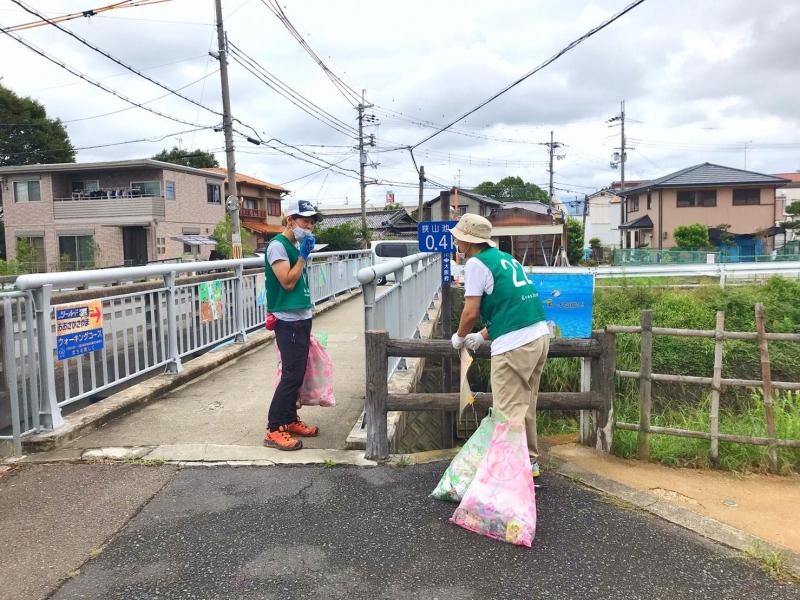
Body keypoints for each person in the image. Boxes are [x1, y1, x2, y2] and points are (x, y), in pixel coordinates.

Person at [449, 214, 550, 478]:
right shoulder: (506, 258)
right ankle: (529, 464)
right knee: (525, 403)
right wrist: (483, 335)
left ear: (468, 240)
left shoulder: (475, 264)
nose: (455, 239)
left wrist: (460, 337)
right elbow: (509, 305)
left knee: (506, 409)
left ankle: (509, 474)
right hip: (538, 335)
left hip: (515, 345)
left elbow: (470, 312)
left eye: (457, 235)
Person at [263, 199, 321, 450]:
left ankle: (289, 419)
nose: (309, 226)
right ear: (290, 221)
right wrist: (303, 256)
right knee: (290, 375)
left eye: (311, 222)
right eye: (304, 221)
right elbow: (287, 281)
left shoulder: (295, 245)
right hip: (288, 320)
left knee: (297, 374)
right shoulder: (278, 246)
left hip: (300, 316)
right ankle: (275, 428)